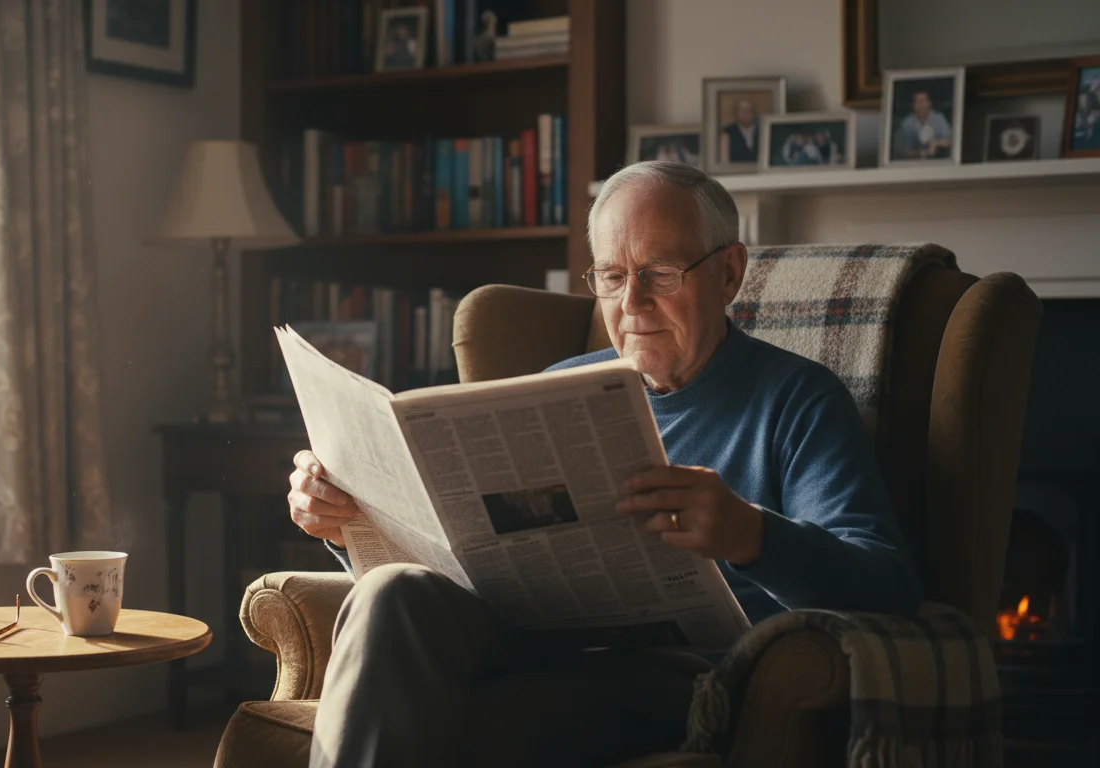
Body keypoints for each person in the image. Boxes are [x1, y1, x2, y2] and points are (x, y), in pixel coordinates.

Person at [286, 161, 923, 768]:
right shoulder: (557, 388)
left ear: (729, 273)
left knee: (466, 721)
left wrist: (750, 533)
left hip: (681, 671)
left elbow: (887, 584)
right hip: (532, 636)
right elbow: (471, 555)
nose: (633, 302)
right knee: (388, 591)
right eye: (612, 277)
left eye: (662, 272)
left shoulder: (798, 399)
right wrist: (352, 525)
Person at [894, 89, 952, 159]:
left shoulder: (939, 119)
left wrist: (936, 143)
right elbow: (901, 150)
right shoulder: (907, 124)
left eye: (924, 101)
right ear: (913, 105)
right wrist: (921, 153)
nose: (921, 105)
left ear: (930, 103)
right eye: (918, 102)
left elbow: (950, 141)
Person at [718, 98, 759, 163]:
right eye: (742, 110)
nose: (745, 113)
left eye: (749, 110)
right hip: (736, 171)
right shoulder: (728, 132)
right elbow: (724, 161)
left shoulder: (761, 130)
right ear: (736, 113)